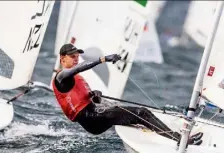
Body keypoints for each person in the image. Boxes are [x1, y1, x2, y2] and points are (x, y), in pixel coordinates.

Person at [52, 43, 203, 146]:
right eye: (73, 56)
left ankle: (163, 139)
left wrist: (93, 95)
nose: (76, 58)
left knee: (133, 115)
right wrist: (103, 59)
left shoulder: (75, 78)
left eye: (77, 55)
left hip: (93, 115)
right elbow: (78, 69)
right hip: (91, 119)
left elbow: (81, 98)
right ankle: (179, 140)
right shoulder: (61, 77)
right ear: (62, 58)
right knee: (142, 113)